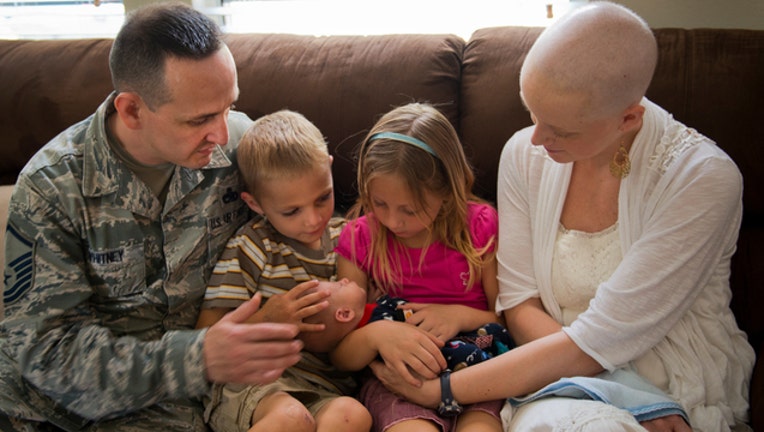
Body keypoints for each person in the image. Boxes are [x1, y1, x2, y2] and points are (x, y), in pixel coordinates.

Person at [368, 3, 756, 432]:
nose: (537, 138)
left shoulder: (702, 179)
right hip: (547, 368)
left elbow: (602, 339)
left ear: (629, 117)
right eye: (532, 113)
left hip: (667, 368)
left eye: (562, 130)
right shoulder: (524, 152)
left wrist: (444, 391)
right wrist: (621, 392)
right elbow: (518, 304)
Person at [0, 3, 307, 430]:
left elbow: (307, 212)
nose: (221, 133)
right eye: (199, 119)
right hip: (75, 412)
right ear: (132, 111)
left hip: (204, 396)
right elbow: (50, 355)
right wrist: (199, 356)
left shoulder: (239, 145)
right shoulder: (52, 188)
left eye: (229, 106)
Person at [329, 102, 506, 432]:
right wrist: (378, 334)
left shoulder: (479, 228)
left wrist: (459, 315)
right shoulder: (360, 239)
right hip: (399, 383)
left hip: (477, 373)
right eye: (379, 203)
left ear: (446, 190)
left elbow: (507, 319)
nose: (393, 220)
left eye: (410, 209)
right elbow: (340, 355)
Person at [195, 109, 372, 432]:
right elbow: (206, 333)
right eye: (291, 211)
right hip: (256, 384)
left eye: (323, 198)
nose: (312, 220)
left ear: (330, 170)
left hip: (325, 388)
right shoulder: (253, 246)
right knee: (291, 419)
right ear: (255, 204)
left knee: (353, 415)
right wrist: (266, 319)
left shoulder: (348, 238)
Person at [300, 278, 514, 371]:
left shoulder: (373, 309)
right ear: (345, 313)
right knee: (466, 352)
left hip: (448, 330)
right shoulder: (367, 333)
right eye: (339, 285)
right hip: (439, 354)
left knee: (491, 333)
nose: (344, 280)